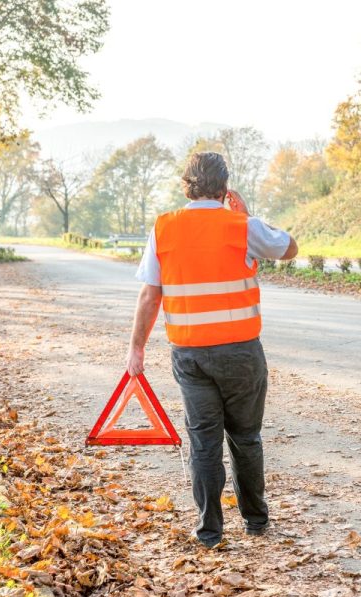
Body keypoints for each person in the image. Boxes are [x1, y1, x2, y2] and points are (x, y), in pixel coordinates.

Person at [126, 151, 297, 547]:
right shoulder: (241, 225)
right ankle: (255, 521)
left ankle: (209, 532)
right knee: (246, 438)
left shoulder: (164, 228)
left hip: (190, 355)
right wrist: (249, 216)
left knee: (203, 443)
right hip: (241, 354)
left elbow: (150, 296)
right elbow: (289, 249)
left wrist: (136, 348)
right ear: (224, 187)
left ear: (187, 185)